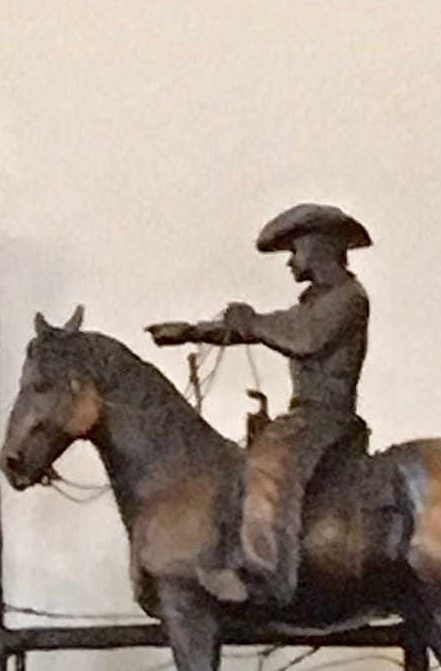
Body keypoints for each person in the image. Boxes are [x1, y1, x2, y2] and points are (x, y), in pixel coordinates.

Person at [147, 203, 372, 605]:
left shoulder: (347, 299)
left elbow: (304, 338)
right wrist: (192, 333)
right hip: (308, 414)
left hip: (325, 415)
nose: (291, 262)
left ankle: (264, 574)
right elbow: (273, 326)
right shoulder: (317, 301)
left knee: (268, 464)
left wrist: (251, 321)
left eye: (295, 251)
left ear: (318, 249)